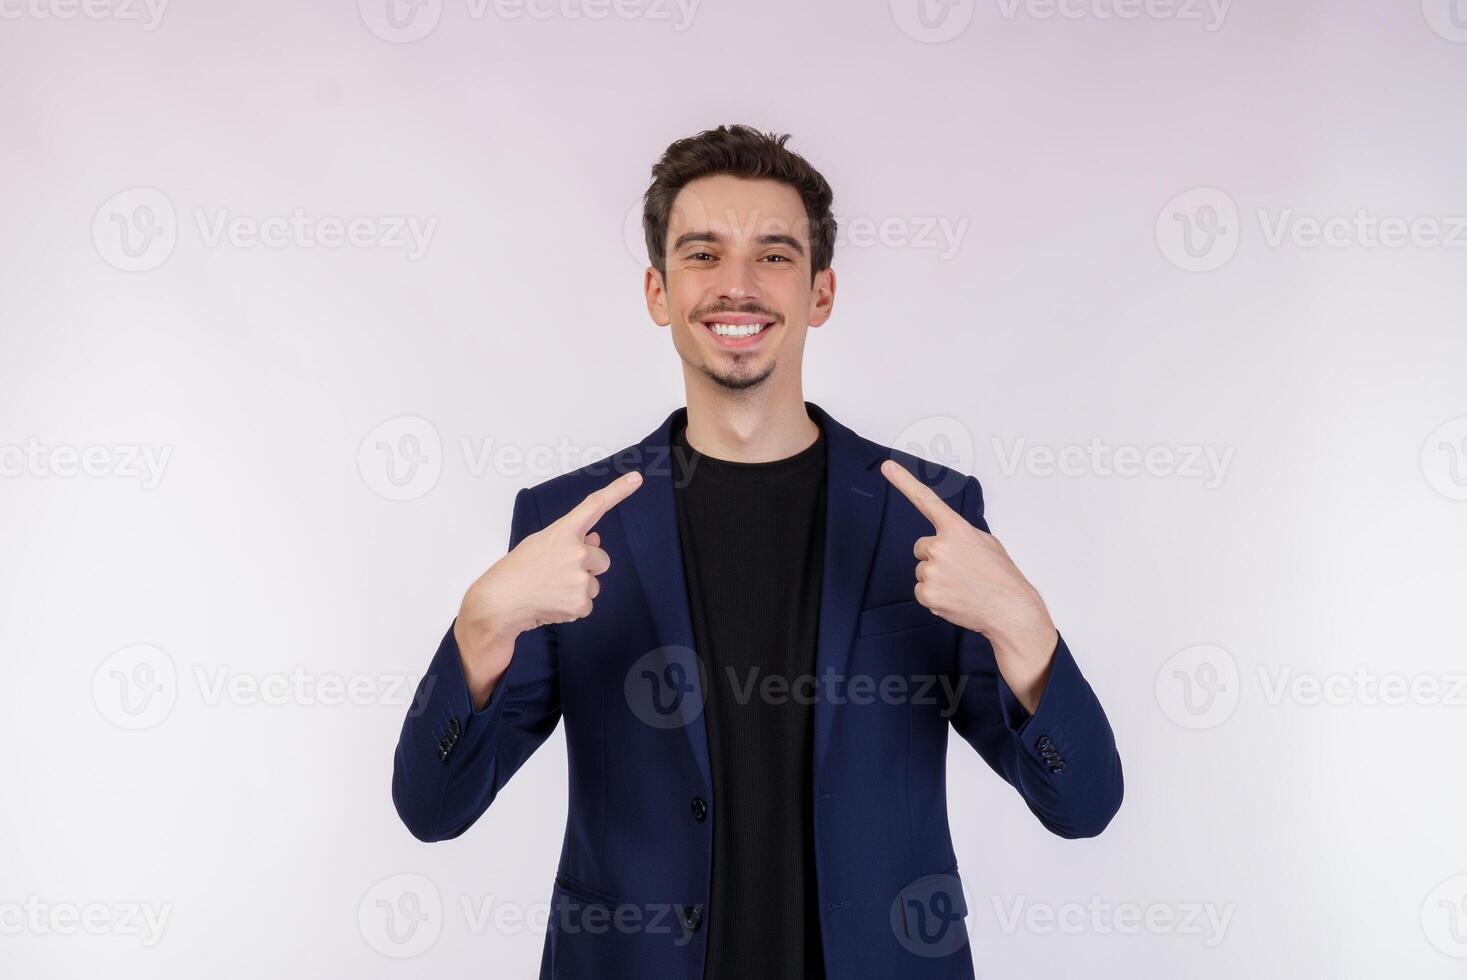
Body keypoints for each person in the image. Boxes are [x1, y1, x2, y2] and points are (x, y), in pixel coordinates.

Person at [391, 123, 1124, 980]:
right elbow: (432, 811)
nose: (737, 285)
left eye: (774, 255)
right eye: (702, 254)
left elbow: (1084, 806)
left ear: (821, 292)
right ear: (658, 291)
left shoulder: (928, 516)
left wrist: (1025, 628)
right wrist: (479, 627)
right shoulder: (569, 524)